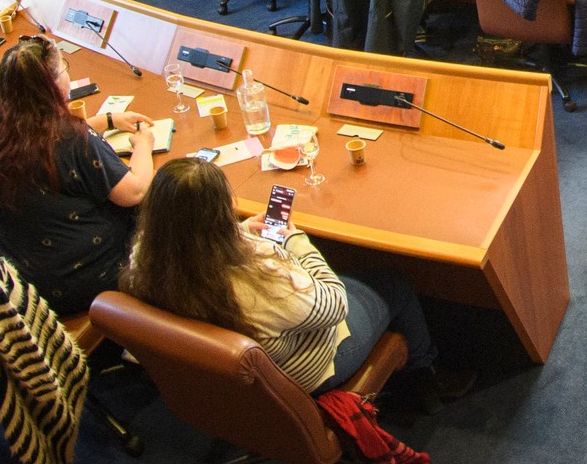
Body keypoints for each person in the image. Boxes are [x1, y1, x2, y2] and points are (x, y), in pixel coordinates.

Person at [126, 159, 445, 399]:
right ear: (218, 214)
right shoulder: (256, 283)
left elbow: (186, 238)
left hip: (224, 380)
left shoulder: (146, 256)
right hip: (309, 369)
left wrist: (237, 232)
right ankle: (426, 378)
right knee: (393, 282)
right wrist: (297, 243)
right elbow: (335, 306)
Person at [0, 36, 156, 317]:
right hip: (79, 282)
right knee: (159, 206)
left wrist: (107, 120)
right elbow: (134, 191)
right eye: (63, 68)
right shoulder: (74, 139)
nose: (67, 74)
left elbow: (44, 138)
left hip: (20, 278)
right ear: (51, 85)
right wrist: (144, 145)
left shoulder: (0, 127)